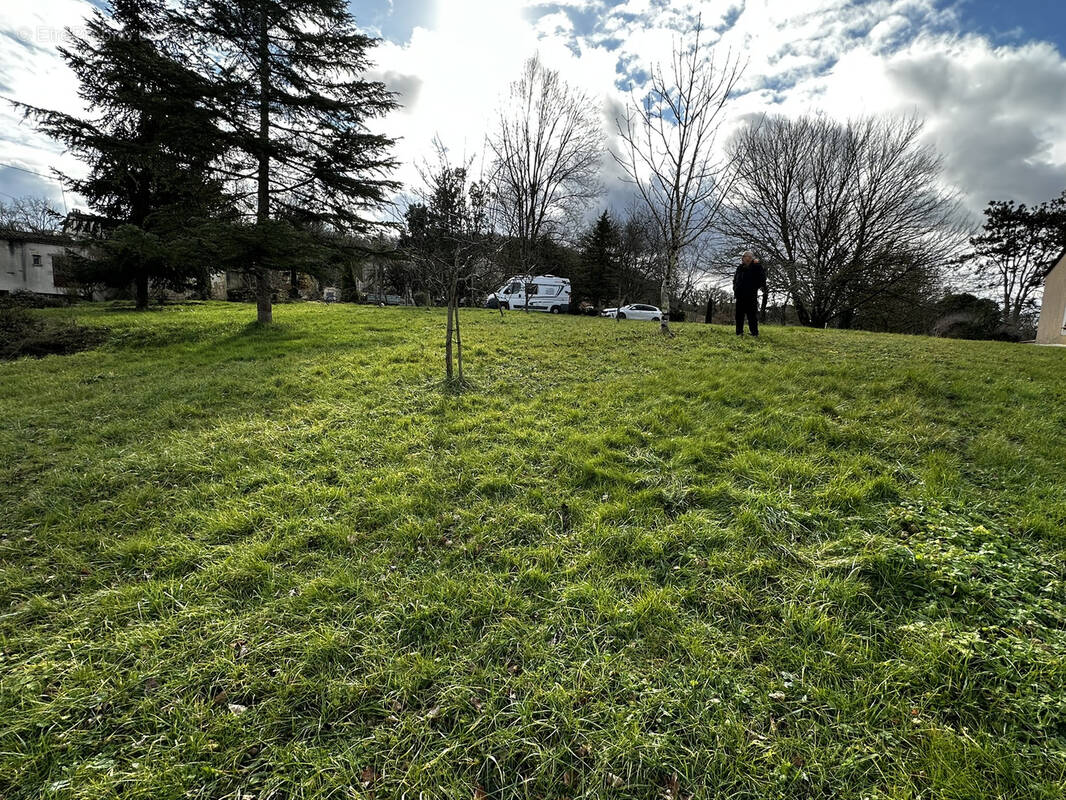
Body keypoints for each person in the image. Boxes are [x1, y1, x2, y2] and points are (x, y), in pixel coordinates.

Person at [733, 251, 767, 337]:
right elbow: (735, 280)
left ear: (751, 258)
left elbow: (762, 279)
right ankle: (739, 333)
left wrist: (754, 287)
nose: (745, 258)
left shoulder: (756, 267)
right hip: (740, 295)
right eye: (744, 257)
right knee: (739, 315)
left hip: (751, 295)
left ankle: (754, 333)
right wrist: (735, 289)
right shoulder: (739, 268)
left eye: (747, 257)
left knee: (752, 315)